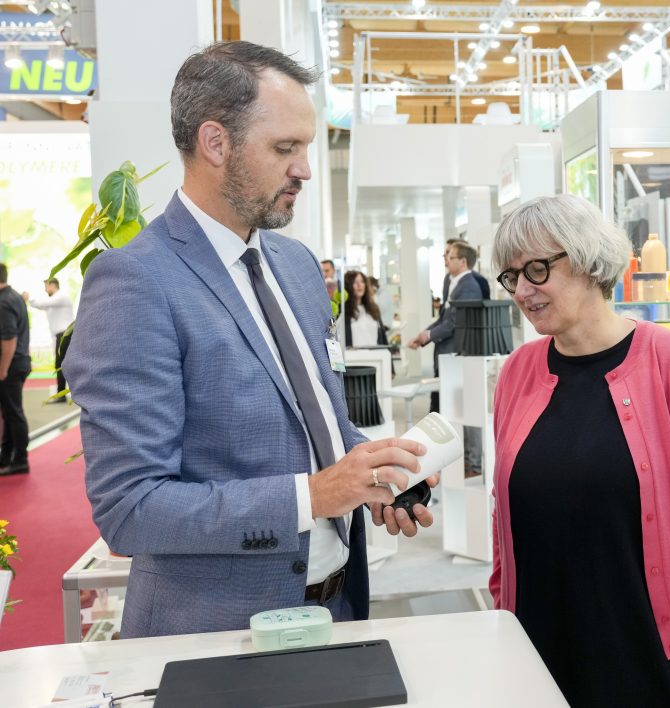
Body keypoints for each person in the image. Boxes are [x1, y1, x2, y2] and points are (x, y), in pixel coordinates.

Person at [63, 41, 435, 639]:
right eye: (285, 148)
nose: (305, 169)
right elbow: (131, 508)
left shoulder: (294, 265)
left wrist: (376, 473)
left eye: (306, 147)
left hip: (337, 611)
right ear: (216, 143)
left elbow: (319, 419)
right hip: (217, 635)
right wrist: (312, 496)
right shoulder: (136, 281)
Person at [488, 194, 670, 708]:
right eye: (511, 276)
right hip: (539, 644)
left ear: (587, 261)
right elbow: (506, 517)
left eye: (536, 269)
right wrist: (502, 619)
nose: (522, 289)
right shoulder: (519, 372)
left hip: (648, 649)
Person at [408, 240, 483, 474]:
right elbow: (444, 318)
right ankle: (457, 459)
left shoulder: (469, 285)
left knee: (466, 408)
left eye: (449, 257)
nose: (445, 260)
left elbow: (455, 322)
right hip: (448, 354)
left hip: (460, 355)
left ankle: (472, 462)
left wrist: (428, 335)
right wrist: (425, 335)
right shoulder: (452, 282)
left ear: (462, 261)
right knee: (449, 406)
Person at [0, 263, 31, 476]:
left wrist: (3, 369)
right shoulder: (15, 297)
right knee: (10, 413)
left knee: (14, 412)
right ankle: (7, 456)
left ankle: (20, 459)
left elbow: (9, 338)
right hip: (19, 362)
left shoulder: (3, 302)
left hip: (10, 366)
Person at [22, 277, 74, 402]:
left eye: (46, 286)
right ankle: (61, 394)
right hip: (61, 336)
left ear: (53, 285)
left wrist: (29, 298)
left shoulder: (61, 297)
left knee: (62, 364)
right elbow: (40, 306)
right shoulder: (54, 301)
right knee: (61, 364)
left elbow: (43, 303)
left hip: (65, 335)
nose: (45, 290)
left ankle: (63, 394)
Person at [343, 269, 384, 348]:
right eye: (355, 282)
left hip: (376, 357)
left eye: (362, 281)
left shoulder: (373, 309)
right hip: (354, 357)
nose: (360, 285)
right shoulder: (344, 311)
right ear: (348, 286)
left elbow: (382, 338)